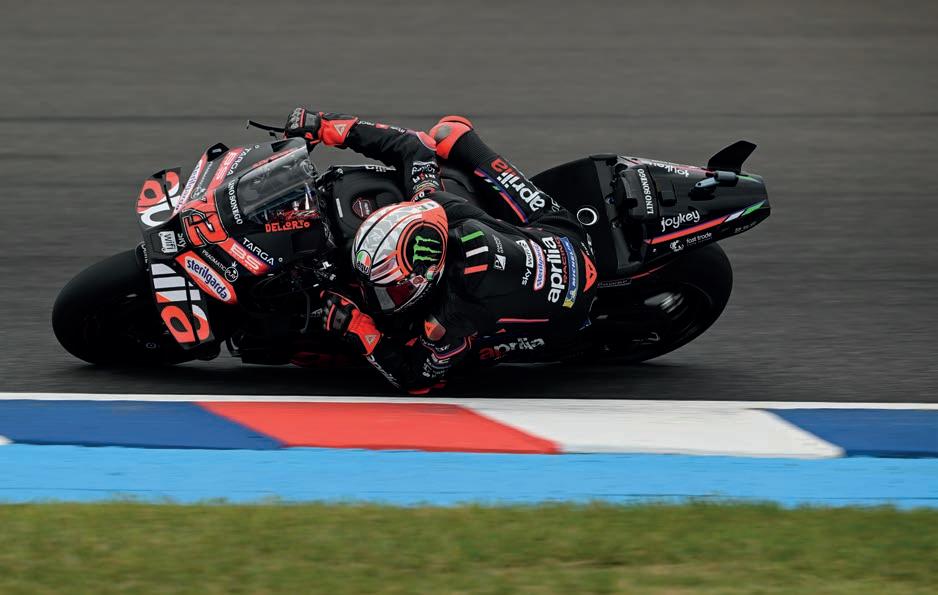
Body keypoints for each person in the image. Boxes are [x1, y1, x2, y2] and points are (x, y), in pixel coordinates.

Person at [283, 108, 599, 393]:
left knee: (458, 360)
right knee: (451, 133)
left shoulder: (451, 314)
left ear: (428, 278)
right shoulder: (433, 204)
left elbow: (415, 380)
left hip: (568, 302)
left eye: (392, 291)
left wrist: (360, 330)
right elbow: (415, 146)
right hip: (557, 236)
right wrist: (329, 127)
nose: (379, 296)